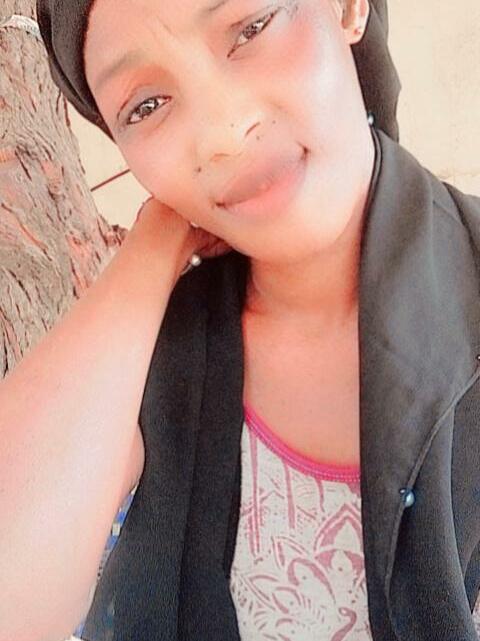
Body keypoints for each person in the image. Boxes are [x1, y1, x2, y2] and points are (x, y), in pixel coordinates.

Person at [2, 1, 480, 640]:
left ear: (346, 8)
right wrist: (153, 247)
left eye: (251, 28)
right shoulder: (145, 358)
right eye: (146, 107)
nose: (222, 133)